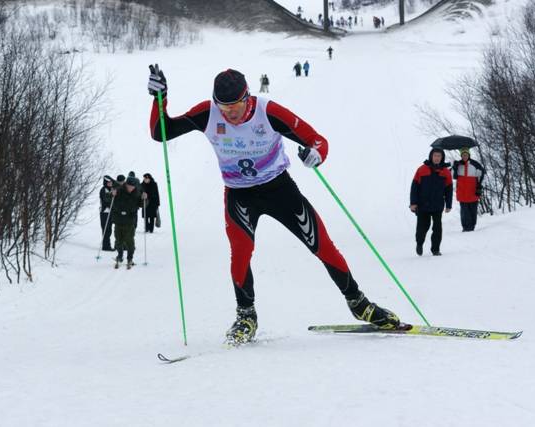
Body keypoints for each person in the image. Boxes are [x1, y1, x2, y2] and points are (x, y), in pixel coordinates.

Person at [147, 65, 401, 345]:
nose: (230, 113)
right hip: (239, 194)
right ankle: (246, 316)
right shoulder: (208, 113)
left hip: (279, 188)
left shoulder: (267, 111)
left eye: (236, 105)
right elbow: (161, 132)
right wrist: (160, 98)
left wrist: (315, 154)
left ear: (248, 97)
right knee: (241, 253)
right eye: (224, 106)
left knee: (321, 244)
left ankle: (358, 302)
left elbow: (318, 141)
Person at [410, 148, 453, 256]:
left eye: (439, 156)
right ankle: (419, 243)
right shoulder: (421, 170)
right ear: (431, 156)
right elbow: (414, 187)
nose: (437, 158)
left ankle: (435, 249)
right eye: (435, 156)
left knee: (437, 228)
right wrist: (413, 203)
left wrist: (448, 204)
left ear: (442, 158)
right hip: (423, 204)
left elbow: (449, 189)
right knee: (423, 227)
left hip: (437, 205)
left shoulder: (446, 172)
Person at [111, 176, 146, 268]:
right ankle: (120, 256)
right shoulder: (118, 191)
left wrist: (144, 199)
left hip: (130, 221)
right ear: (126, 184)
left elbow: (143, 205)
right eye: (129, 186)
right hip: (118, 220)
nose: (131, 188)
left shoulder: (137, 193)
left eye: (133, 186)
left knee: (130, 241)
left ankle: (130, 258)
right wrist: (112, 194)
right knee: (118, 241)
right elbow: (108, 200)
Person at [452, 147, 485, 232]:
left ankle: (472, 227)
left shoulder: (475, 164)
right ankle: (465, 228)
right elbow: (452, 176)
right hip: (462, 192)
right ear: (461, 155)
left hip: (473, 192)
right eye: (463, 155)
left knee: (473, 211)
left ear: (469, 155)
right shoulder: (458, 164)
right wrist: (455, 168)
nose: (464, 156)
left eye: (466, 154)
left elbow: (481, 175)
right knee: (464, 212)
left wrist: (479, 186)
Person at [99, 175, 115, 251]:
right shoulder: (103, 190)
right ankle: (105, 246)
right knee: (105, 229)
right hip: (105, 212)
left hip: (111, 212)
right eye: (109, 182)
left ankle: (108, 245)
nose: (110, 183)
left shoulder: (112, 189)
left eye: (111, 182)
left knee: (109, 229)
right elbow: (105, 200)